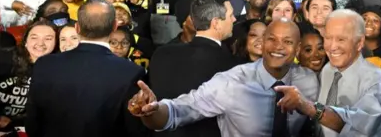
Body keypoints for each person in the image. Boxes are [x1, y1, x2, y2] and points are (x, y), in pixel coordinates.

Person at [128, 19, 319, 136]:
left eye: (287, 42)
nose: (278, 47)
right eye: (272, 39)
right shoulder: (232, 82)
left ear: (298, 48)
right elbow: (181, 109)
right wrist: (152, 111)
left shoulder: (309, 81)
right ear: (262, 43)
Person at [25, 0, 148, 137]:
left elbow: (32, 125)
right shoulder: (131, 72)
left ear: (77, 27)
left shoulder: (44, 65)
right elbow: (135, 130)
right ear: (114, 27)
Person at [274, 9, 381, 136]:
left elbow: (360, 127)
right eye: (328, 38)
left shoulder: (376, 79)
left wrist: (310, 108)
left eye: (341, 39)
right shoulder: (328, 70)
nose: (332, 46)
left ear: (360, 43)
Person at [148, 0, 238, 137]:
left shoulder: (161, 54)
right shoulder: (230, 64)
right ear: (216, 23)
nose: (234, 19)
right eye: (230, 15)